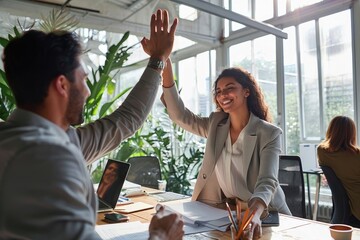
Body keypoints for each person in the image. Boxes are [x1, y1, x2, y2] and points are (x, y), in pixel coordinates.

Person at [0, 9, 184, 240]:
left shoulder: (51, 139)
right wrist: (159, 235)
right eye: (84, 79)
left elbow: (126, 119)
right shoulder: (47, 160)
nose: (87, 91)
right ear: (62, 85)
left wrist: (158, 60)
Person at [157, 58, 290, 239]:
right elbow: (181, 116)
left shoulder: (269, 133)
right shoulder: (216, 124)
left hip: (266, 214)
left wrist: (255, 215)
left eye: (230, 88)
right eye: (219, 91)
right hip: (227, 214)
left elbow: (267, 181)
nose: (223, 94)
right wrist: (165, 64)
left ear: (246, 91)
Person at [317, 116, 360, 227]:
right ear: (352, 133)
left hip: (349, 210)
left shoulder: (322, 151)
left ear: (331, 130)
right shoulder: (357, 155)